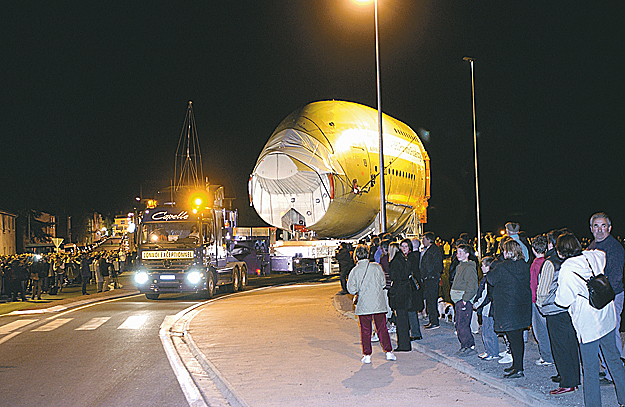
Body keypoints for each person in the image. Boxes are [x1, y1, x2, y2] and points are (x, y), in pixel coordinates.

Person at [555, 232, 625, 406]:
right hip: (607, 317)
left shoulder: (567, 269)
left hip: (588, 325)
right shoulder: (593, 255)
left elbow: (563, 300)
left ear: (560, 253)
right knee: (614, 360)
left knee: (591, 369)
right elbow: (602, 254)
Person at [536, 229, 580, 391]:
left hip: (554, 309)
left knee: (560, 346)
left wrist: (540, 305)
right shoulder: (574, 261)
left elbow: (543, 289)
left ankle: (568, 383)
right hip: (570, 308)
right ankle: (569, 375)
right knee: (570, 345)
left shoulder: (550, 263)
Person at [487, 238, 531, 378]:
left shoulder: (502, 267)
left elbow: (491, 279)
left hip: (508, 308)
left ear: (507, 252)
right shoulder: (524, 265)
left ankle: (518, 369)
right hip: (521, 307)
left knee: (514, 340)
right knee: (517, 339)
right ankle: (517, 365)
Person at [588, 212, 625, 371]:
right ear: (591, 228)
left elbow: (616, 278)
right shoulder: (592, 246)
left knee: (611, 333)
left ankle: (615, 372)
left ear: (609, 228)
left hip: (611, 297)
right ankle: (608, 368)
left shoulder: (614, 247)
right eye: (596, 226)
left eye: (603, 226)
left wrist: (603, 299)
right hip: (598, 298)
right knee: (600, 333)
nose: (600, 229)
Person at [347, 244, 396, 363]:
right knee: (382, 328)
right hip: (378, 303)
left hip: (364, 305)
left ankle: (367, 355)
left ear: (356, 256)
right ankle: (388, 352)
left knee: (365, 330)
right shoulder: (377, 267)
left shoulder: (355, 270)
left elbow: (351, 290)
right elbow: (383, 283)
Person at [529, 234, 553, 367]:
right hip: (545, 299)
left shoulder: (537, 264)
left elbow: (534, 284)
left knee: (541, 331)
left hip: (537, 300)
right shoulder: (547, 262)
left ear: (533, 248)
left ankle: (546, 357)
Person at [450, 243, 478, 356]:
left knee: (463, 324)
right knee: (459, 324)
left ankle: (469, 346)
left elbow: (472, 285)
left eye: (461, 252)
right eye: (457, 252)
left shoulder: (469, 267)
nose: (458, 254)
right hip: (458, 300)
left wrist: (465, 299)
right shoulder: (460, 266)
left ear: (467, 254)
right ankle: (464, 345)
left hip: (463, 301)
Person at [388, 242, 413, 352]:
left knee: (401, 320)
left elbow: (396, 279)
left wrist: (392, 292)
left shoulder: (395, 262)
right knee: (404, 319)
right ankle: (405, 343)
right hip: (406, 291)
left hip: (400, 293)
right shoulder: (404, 260)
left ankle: (403, 344)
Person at [474, 256, 499, 360]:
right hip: (487, 310)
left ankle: (492, 352)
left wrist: (477, 304)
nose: (481, 267)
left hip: (488, 310)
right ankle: (488, 350)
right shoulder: (488, 277)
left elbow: (485, 295)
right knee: (486, 332)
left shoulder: (488, 278)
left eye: (483, 265)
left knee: (488, 332)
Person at [420, 231, 443, 329]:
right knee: (429, 300)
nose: (423, 241)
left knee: (432, 300)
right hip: (430, 278)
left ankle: (434, 321)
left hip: (431, 279)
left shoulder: (434, 250)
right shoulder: (431, 249)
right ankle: (432, 320)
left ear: (429, 240)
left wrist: (427, 275)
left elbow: (432, 265)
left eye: (424, 239)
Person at [405, 238, 423, 341]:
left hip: (412, 287)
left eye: (406, 246)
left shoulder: (411, 258)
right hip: (413, 286)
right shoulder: (414, 256)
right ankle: (415, 332)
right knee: (411, 311)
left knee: (411, 311)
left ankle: (416, 333)